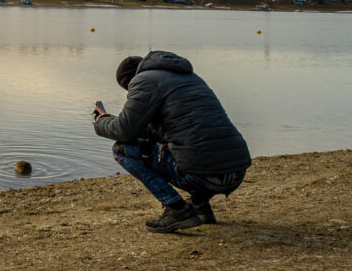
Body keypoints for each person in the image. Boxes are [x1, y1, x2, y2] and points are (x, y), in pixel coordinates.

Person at [93, 51, 251, 233]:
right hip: (236, 172)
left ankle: (177, 209)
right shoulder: (189, 77)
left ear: (128, 82)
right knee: (190, 145)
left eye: (127, 88)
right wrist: (124, 122)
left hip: (205, 177)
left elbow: (124, 132)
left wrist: (102, 120)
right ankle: (201, 207)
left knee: (122, 149)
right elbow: (173, 129)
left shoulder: (143, 81)